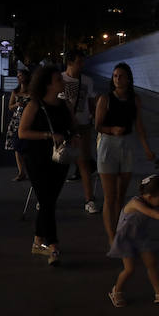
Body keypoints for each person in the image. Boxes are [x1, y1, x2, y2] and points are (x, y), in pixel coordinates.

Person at [18, 65, 79, 266]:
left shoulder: (65, 105)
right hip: (37, 158)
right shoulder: (35, 105)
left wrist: (74, 137)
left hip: (59, 159)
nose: (62, 82)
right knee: (46, 201)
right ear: (48, 84)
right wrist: (48, 135)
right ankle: (53, 245)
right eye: (58, 80)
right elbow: (22, 132)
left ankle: (37, 240)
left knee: (49, 201)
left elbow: (73, 127)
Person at [95, 62, 157, 245]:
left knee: (121, 194)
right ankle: (111, 236)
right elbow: (97, 125)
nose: (117, 79)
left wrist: (146, 148)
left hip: (127, 144)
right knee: (110, 196)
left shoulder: (134, 99)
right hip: (108, 145)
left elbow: (139, 126)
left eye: (121, 76)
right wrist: (111, 129)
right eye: (114, 76)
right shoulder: (105, 99)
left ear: (128, 79)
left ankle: (120, 229)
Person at [107, 174, 159, 307]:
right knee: (129, 269)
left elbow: (156, 206)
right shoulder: (135, 203)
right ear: (149, 197)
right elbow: (151, 212)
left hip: (140, 236)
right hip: (126, 239)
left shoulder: (149, 201)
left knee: (151, 263)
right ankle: (116, 291)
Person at [60, 49, 100, 213]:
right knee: (58, 162)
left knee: (84, 162)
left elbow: (91, 102)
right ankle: (48, 197)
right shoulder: (59, 79)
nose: (82, 65)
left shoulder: (87, 80)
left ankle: (89, 199)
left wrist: (94, 120)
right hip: (62, 126)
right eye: (79, 62)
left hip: (83, 126)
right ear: (70, 62)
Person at [5, 69, 31, 181]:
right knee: (17, 147)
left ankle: (29, 170)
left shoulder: (32, 91)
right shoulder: (15, 91)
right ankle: (21, 172)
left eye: (21, 76)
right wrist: (16, 104)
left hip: (29, 121)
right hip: (16, 121)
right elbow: (10, 107)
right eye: (18, 76)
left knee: (28, 147)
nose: (19, 78)